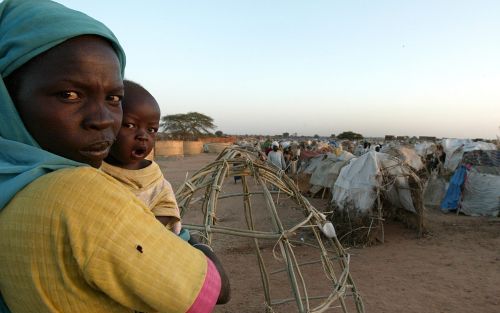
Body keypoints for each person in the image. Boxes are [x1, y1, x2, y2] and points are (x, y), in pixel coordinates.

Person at [0, 1, 229, 312]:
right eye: (69, 94)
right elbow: (214, 292)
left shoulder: (12, 184)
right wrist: (197, 244)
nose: (104, 119)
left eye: (113, 98)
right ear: (8, 96)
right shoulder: (77, 193)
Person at [101, 80, 182, 236]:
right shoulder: (92, 171)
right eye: (130, 125)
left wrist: (145, 232)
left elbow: (167, 208)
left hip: (152, 240)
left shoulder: (154, 177)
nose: (143, 136)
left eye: (151, 129)